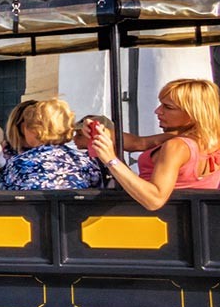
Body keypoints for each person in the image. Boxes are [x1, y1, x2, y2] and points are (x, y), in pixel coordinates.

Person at [88, 78, 220, 210]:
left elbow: (155, 199)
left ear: (193, 113)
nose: (158, 111)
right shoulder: (208, 140)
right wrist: (99, 130)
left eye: (168, 107)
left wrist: (111, 160)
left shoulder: (177, 146)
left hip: (156, 218)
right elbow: (138, 143)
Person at [0, 99, 103, 191]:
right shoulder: (84, 161)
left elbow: (4, 193)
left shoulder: (19, 163)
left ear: (34, 131)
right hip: (76, 213)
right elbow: (97, 186)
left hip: (33, 214)